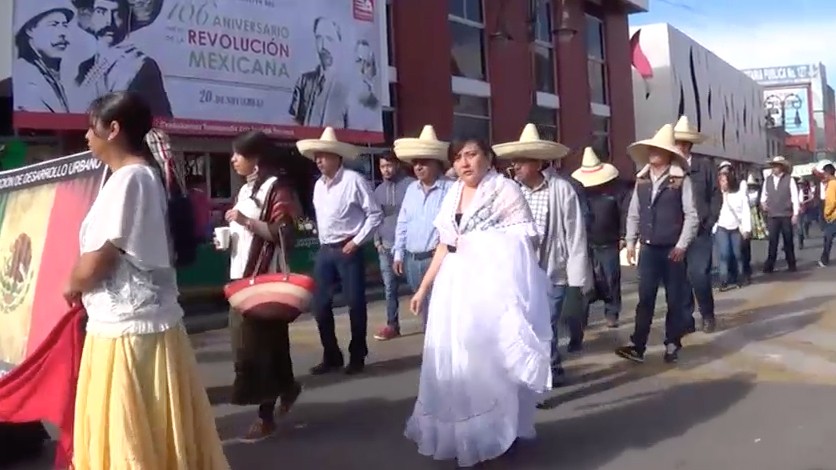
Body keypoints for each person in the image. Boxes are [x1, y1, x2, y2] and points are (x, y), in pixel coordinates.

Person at [66, 91, 228, 468]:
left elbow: (99, 260)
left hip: (129, 331)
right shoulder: (135, 177)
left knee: (130, 433)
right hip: (133, 326)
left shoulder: (130, 180)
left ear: (114, 129)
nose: (87, 137)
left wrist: (71, 282)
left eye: (92, 128)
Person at [404, 138, 552, 467]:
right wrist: (423, 288)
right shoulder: (453, 193)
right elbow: (445, 245)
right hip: (453, 289)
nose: (464, 163)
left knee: (489, 362)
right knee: (457, 361)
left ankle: (501, 431)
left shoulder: (504, 191)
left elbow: (522, 246)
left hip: (490, 289)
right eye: (457, 158)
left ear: (488, 157)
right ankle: (465, 434)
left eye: (471, 155)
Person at [216, 130, 305, 442]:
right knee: (267, 347)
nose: (233, 160)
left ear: (256, 158)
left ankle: (264, 417)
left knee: (256, 350)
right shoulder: (245, 190)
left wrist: (244, 221)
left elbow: (289, 232)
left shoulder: (277, 189)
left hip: (264, 282)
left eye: (238, 154)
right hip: (241, 279)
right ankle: (288, 387)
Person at [494, 124, 586, 388]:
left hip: (553, 271)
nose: (516, 167)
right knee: (527, 327)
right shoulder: (512, 191)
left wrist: (576, 277)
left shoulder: (561, 189)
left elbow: (575, 233)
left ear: (537, 163)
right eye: (514, 163)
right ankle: (547, 369)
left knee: (545, 325)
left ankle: (544, 379)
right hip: (522, 271)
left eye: (521, 162)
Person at [299, 127, 382, 375]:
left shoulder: (353, 181)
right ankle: (331, 354)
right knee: (319, 304)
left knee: (355, 303)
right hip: (326, 250)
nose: (319, 160)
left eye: (324, 155)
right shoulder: (318, 186)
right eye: (317, 156)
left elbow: (374, 214)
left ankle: (357, 355)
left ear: (337, 157)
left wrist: (357, 241)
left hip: (348, 248)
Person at [617, 124, 698, 364]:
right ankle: (638, 345)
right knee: (645, 299)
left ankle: (672, 342)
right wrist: (630, 241)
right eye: (651, 149)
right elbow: (633, 212)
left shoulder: (680, 180)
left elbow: (691, 215)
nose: (653, 153)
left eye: (657, 150)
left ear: (668, 155)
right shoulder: (641, 181)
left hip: (673, 248)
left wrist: (682, 245)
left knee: (674, 298)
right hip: (649, 248)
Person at [390, 125, 453, 328]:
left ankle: (443, 356)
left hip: (437, 260)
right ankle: (432, 354)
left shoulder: (451, 189)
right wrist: (398, 253)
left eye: (424, 162)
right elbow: (402, 222)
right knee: (425, 312)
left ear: (437, 163)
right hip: (412, 260)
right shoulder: (411, 190)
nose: (418, 167)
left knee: (442, 312)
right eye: (415, 163)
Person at [570, 146, 630, 344]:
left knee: (612, 278)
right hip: (585, 242)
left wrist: (623, 235)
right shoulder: (579, 192)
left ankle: (612, 313)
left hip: (609, 242)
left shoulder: (616, 191)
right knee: (585, 282)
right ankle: (582, 318)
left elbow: (624, 214)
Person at [71, 0, 172, 116]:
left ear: (127, 19)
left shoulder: (142, 65)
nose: (109, 21)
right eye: (101, 11)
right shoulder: (84, 68)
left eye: (117, 13)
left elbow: (162, 119)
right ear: (92, 16)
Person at [673, 116, 721, 334]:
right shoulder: (671, 167)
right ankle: (686, 319)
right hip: (676, 232)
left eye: (684, 143)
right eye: (677, 142)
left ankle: (708, 315)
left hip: (701, 231)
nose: (680, 146)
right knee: (680, 279)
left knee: (699, 274)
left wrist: (710, 220)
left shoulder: (704, 166)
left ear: (690, 144)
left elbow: (715, 195)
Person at [372, 153, 414, 341]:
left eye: (389, 165)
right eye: (382, 166)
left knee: (418, 286)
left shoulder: (410, 185)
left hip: (408, 247)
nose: (386, 169)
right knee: (390, 289)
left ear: (397, 165)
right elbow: (375, 217)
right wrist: (377, 241)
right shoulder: (378, 191)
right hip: (386, 247)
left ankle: (431, 324)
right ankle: (392, 325)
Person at [289, 17, 349, 127]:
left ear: (340, 43)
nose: (324, 46)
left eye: (329, 39)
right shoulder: (304, 81)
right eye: (319, 38)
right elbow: (294, 120)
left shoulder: (349, 89)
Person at [13, 4, 73, 112]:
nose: (63, 33)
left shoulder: (49, 75)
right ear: (30, 30)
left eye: (65, 25)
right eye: (53, 25)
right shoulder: (24, 78)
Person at [761, 156, 800, 273]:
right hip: (772, 215)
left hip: (786, 214)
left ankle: (791, 263)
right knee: (773, 241)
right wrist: (763, 203)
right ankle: (770, 265)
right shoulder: (768, 180)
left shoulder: (789, 179)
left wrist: (795, 214)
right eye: (773, 165)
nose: (774, 168)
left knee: (788, 240)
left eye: (776, 165)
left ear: (782, 167)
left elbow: (795, 197)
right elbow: (764, 195)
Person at [714, 171, 752, 291]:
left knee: (738, 254)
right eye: (720, 181)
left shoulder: (739, 195)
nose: (722, 183)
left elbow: (746, 212)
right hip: (721, 228)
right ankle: (723, 279)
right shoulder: (716, 195)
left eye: (724, 181)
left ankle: (740, 277)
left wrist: (747, 229)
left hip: (736, 228)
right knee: (724, 254)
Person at [818, 164, 836, 267]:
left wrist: (827, 212)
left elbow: (832, 201)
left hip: (833, 216)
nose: (823, 175)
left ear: (828, 173)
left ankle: (824, 260)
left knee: (827, 238)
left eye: (824, 173)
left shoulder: (832, 184)